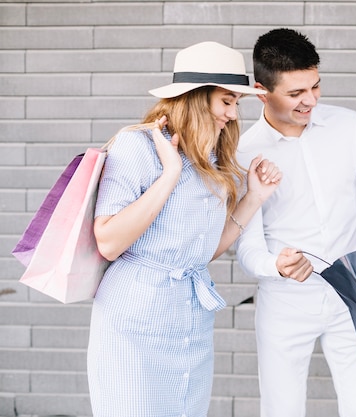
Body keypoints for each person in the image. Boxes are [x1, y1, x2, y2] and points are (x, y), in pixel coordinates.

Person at [234, 28, 356, 417]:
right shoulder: (242, 153)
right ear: (261, 92)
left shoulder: (349, 125)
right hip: (285, 303)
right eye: (296, 94)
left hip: (354, 295)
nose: (311, 101)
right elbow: (247, 247)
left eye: (315, 87)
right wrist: (277, 266)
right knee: (281, 410)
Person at [87, 41, 282, 417]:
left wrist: (254, 197)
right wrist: (170, 173)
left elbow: (202, 253)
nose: (233, 113)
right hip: (134, 319)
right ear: (195, 97)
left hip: (190, 318)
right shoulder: (137, 147)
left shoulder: (213, 158)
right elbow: (108, 241)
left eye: (235, 103)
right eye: (227, 101)